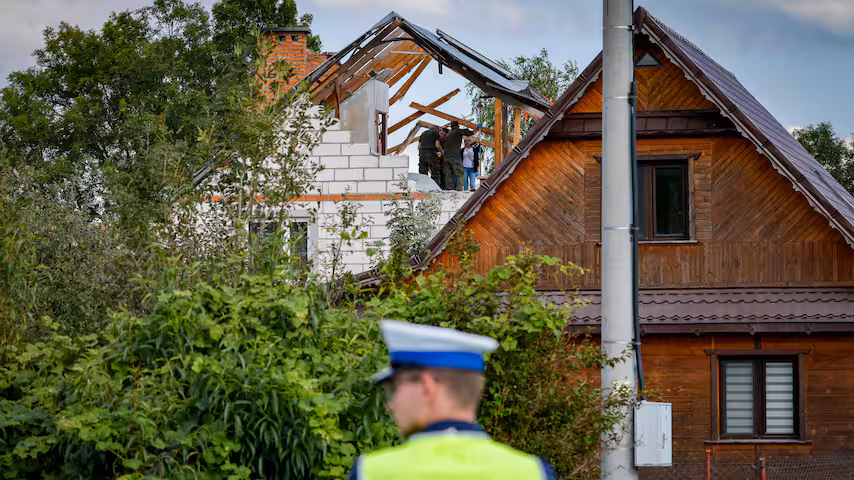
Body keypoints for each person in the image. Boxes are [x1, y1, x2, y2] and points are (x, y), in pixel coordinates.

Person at [348, 320, 556, 480]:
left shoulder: (371, 472)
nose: (390, 404)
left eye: (395, 387)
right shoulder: (533, 472)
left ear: (426, 386)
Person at [442, 121, 475, 191]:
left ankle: (449, 190)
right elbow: (471, 133)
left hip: (446, 158)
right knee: (460, 174)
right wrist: (477, 128)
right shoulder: (457, 131)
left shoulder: (448, 134)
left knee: (449, 175)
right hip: (454, 157)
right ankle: (459, 190)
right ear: (457, 126)